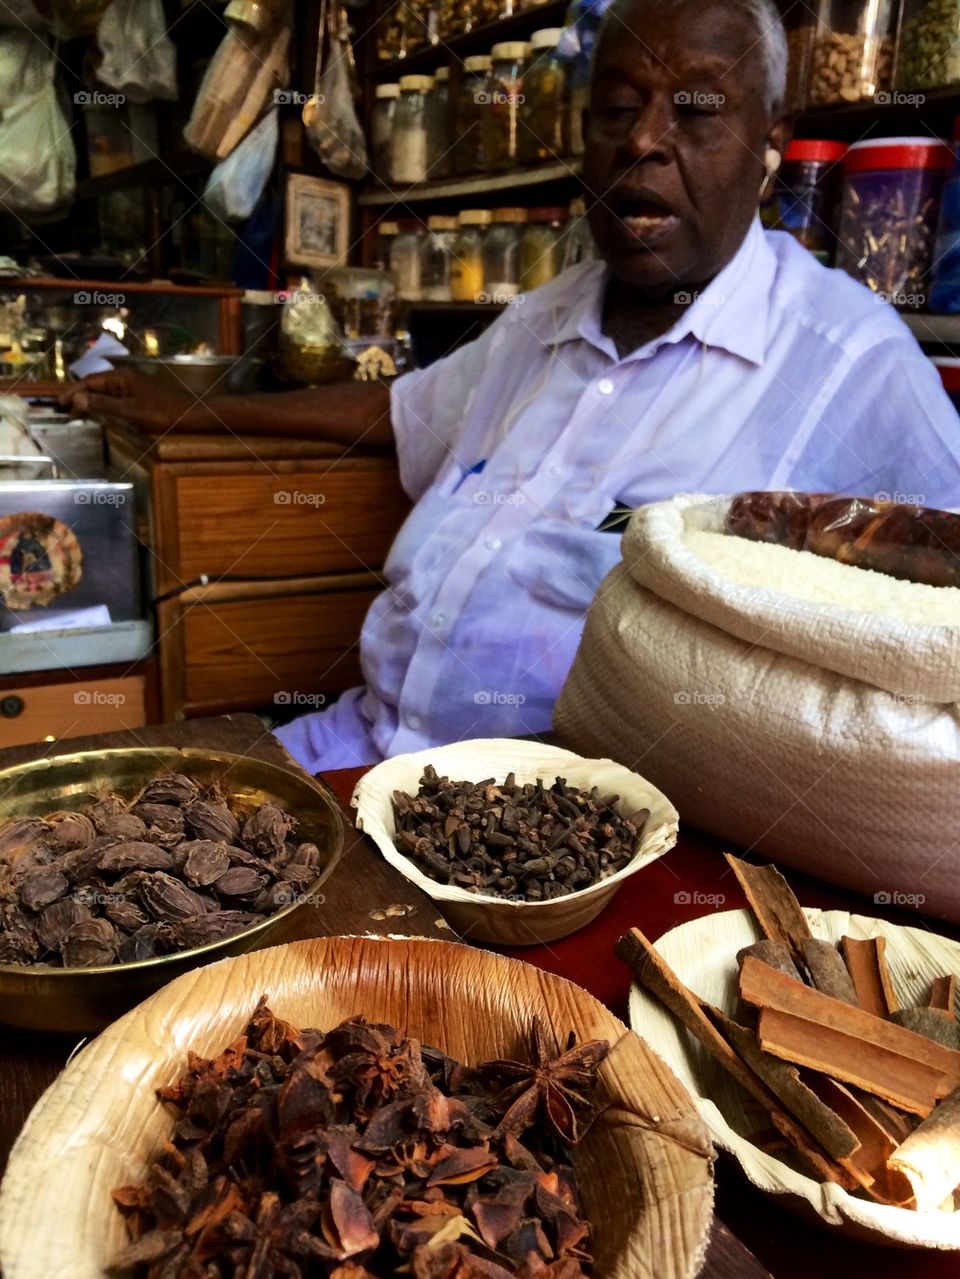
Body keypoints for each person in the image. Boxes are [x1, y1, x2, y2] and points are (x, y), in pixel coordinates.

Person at [64, 0, 960, 774]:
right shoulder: (541, 321)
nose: (644, 140)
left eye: (696, 114)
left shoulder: (847, 363)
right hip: (358, 746)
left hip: (552, 842)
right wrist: (192, 407)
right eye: (616, 107)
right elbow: (399, 408)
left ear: (767, 147)